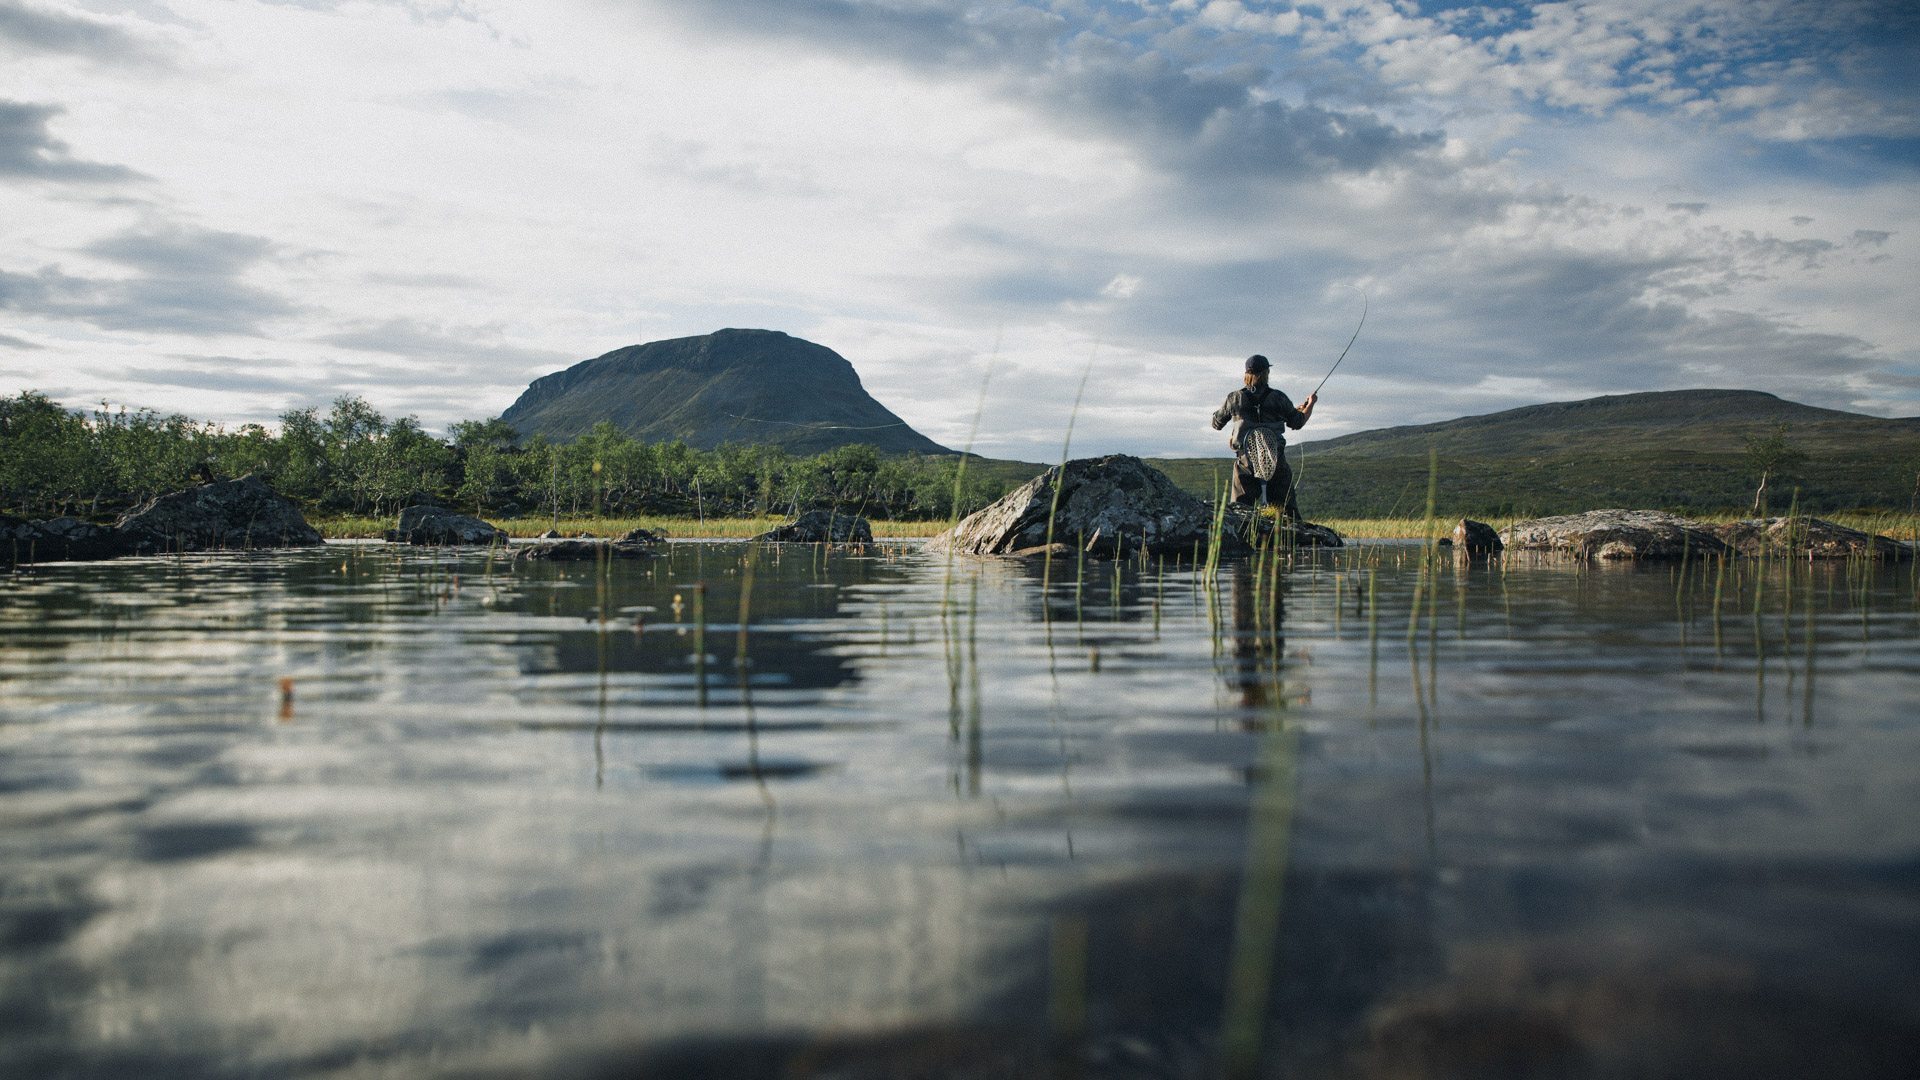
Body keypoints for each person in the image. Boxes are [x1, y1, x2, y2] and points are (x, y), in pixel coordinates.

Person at [1210, 354, 1316, 516]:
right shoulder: (1279, 397)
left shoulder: (1234, 398)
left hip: (1245, 462)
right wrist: (1310, 405)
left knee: (1240, 514)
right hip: (1276, 461)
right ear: (1265, 373)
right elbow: (1297, 422)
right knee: (1288, 515)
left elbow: (1216, 423)